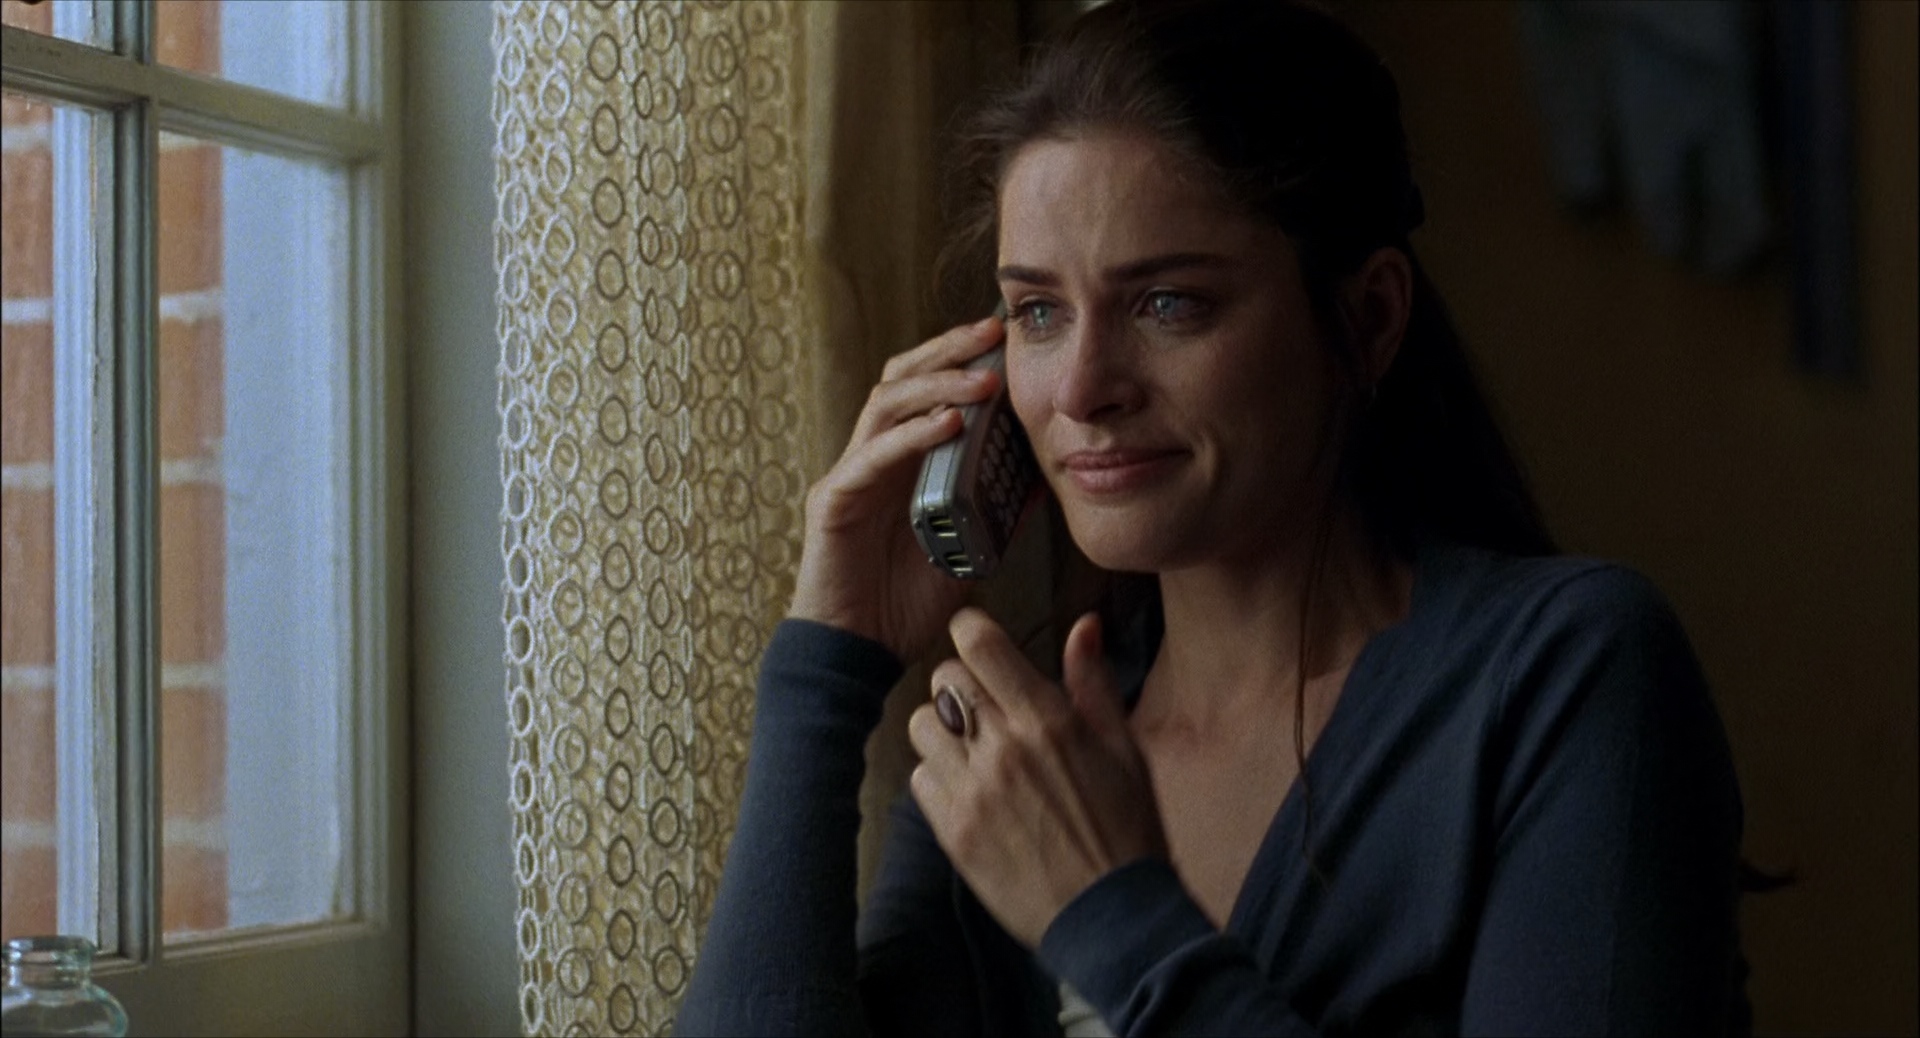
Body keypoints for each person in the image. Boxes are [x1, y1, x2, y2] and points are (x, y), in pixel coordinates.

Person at [676, 0, 1750, 1035]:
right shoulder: (1015, 760)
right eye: (1039, 312)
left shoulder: (1565, 674)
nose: (1081, 388)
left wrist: (1108, 915)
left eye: (1167, 304)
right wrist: (827, 662)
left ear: (1368, 319)